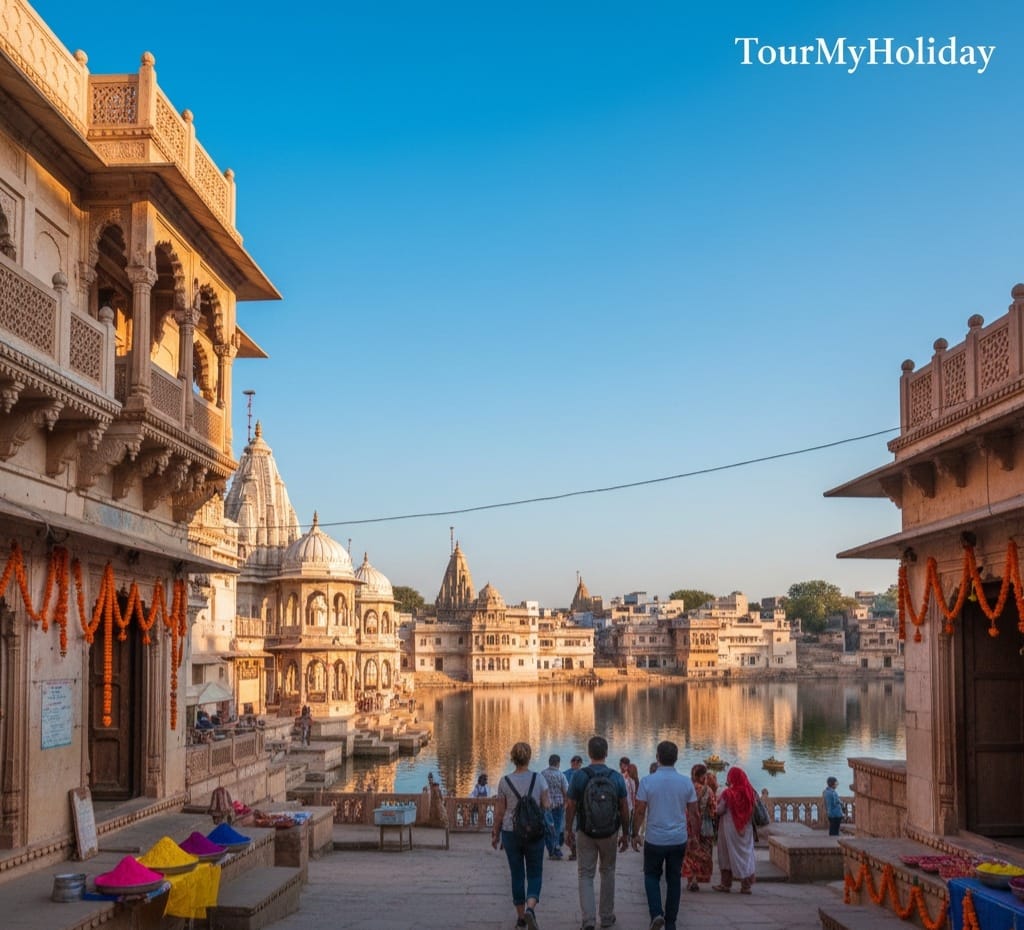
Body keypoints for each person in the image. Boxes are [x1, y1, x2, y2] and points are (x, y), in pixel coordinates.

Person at [631, 740, 698, 930]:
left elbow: (640, 811)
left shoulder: (647, 781)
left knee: (651, 876)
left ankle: (656, 913)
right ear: (676, 758)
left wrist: (635, 834)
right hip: (678, 838)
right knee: (674, 880)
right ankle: (671, 923)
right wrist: (694, 836)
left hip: (655, 838)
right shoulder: (686, 782)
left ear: (657, 757)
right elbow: (694, 813)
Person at [565, 736, 630, 930]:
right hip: (610, 832)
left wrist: (568, 829)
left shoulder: (579, 776)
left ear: (589, 753)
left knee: (585, 874)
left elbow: (571, 805)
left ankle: (589, 919)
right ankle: (607, 917)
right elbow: (624, 807)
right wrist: (626, 833)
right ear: (606, 753)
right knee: (608, 872)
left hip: (585, 831)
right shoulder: (616, 777)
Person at [492, 741, 549, 930]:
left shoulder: (504, 781)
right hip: (534, 832)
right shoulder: (539, 779)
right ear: (529, 757)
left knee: (516, 874)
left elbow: (500, 812)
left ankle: (521, 918)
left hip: (511, 831)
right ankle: (530, 908)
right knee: (535, 872)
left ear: (513, 758)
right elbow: (546, 805)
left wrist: (495, 833)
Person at [714, 765, 757, 894]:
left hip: (729, 829)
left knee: (726, 854)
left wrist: (715, 805)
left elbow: (719, 810)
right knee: (745, 855)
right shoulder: (750, 792)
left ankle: (725, 884)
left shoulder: (728, 793)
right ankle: (746, 886)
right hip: (746, 829)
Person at [683, 763, 715, 892]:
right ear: (702, 776)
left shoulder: (687, 788)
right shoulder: (708, 790)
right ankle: (698, 878)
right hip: (704, 825)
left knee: (690, 853)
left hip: (689, 824)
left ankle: (691, 879)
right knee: (703, 853)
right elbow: (713, 809)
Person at [540, 754, 570, 860]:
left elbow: (539, 791)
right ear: (558, 763)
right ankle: (556, 848)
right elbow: (566, 791)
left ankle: (551, 850)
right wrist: (566, 803)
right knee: (557, 828)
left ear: (549, 762)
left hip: (546, 806)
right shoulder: (561, 775)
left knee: (547, 828)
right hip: (558, 805)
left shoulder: (542, 774)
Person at [563, 754, 584, 860]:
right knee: (577, 830)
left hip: (570, 805)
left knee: (569, 829)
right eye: (575, 762)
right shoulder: (584, 774)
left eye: (577, 762)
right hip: (580, 806)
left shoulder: (565, 774)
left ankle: (574, 852)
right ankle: (576, 852)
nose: (575, 763)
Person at [619, 757, 637, 834]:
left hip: (624, 807)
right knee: (627, 828)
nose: (621, 766)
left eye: (622, 765)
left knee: (622, 829)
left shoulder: (621, 778)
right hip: (630, 807)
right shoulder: (632, 779)